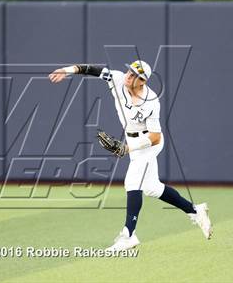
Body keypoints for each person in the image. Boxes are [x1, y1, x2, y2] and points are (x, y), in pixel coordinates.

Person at [49, 60, 212, 252]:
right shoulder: (118, 79)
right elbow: (92, 69)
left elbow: (155, 136)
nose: (129, 75)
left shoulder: (151, 101)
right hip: (132, 141)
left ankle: (129, 235)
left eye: (135, 75)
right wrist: (67, 71)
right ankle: (195, 210)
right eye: (129, 71)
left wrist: (128, 148)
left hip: (148, 144)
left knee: (133, 182)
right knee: (152, 188)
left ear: (142, 81)